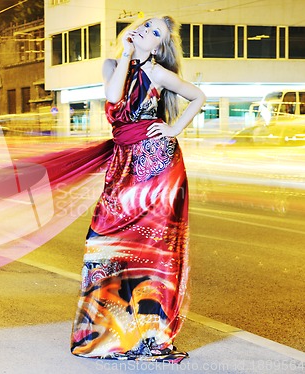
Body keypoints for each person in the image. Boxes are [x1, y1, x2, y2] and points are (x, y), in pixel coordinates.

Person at [70, 15, 206, 363]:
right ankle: (107, 333)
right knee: (101, 240)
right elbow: (114, 95)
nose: (146, 31)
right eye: (146, 25)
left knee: (154, 249)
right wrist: (128, 52)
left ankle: (151, 333)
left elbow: (197, 96)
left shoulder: (159, 72)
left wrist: (174, 129)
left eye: (154, 32)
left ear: (159, 46)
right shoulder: (113, 65)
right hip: (123, 165)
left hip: (159, 165)